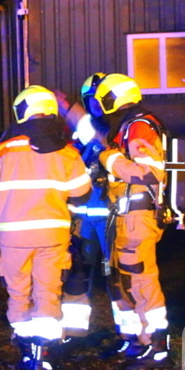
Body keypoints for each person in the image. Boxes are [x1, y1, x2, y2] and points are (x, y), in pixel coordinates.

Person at [0, 85, 91, 370]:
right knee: (48, 293)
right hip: (53, 237)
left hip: (14, 238)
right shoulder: (66, 152)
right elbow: (81, 193)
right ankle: (44, 357)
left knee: (18, 294)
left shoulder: (4, 151)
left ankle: (26, 351)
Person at [92, 73, 172, 369]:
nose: (100, 105)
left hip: (137, 218)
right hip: (125, 218)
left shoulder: (139, 126)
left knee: (141, 281)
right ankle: (136, 341)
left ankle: (157, 347)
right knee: (124, 281)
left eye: (103, 98)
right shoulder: (127, 125)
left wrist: (107, 158)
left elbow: (148, 173)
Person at [59, 73, 114, 345]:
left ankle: (132, 336)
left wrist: (68, 109)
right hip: (84, 217)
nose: (94, 103)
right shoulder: (84, 133)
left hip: (111, 216)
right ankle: (75, 331)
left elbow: (95, 136)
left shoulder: (115, 128)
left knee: (117, 275)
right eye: (90, 99)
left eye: (98, 98)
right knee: (77, 271)